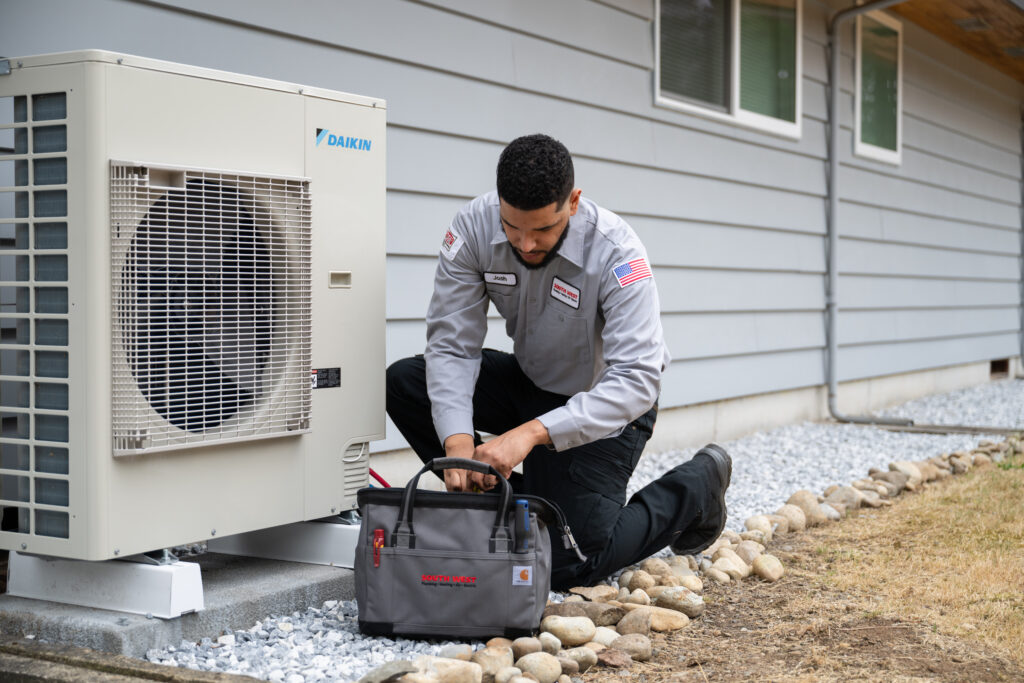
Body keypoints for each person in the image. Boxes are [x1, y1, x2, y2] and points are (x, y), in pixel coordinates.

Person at [386, 134, 731, 590]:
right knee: (405, 382)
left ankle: (696, 487)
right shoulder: (472, 228)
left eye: (543, 230)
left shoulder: (617, 253)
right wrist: (457, 444)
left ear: (573, 202)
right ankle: (518, 504)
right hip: (530, 381)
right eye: (512, 227)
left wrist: (529, 435)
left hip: (603, 403)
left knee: (571, 564)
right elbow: (452, 345)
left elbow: (637, 379)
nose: (526, 244)